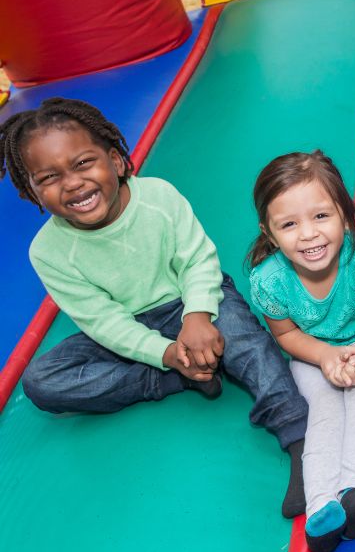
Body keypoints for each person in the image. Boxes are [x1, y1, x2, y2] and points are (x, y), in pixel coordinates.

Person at [0, 97, 308, 517]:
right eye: (49, 177)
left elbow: (198, 261)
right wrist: (166, 355)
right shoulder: (48, 251)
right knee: (42, 381)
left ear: (117, 161)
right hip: (131, 327)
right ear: (30, 191)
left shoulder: (158, 197)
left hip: (192, 299)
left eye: (84, 164)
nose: (71, 183)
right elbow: (103, 321)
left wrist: (197, 317)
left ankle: (300, 439)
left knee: (251, 347)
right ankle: (179, 376)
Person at [247, 151, 355, 552]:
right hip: (310, 355)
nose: (309, 235)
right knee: (327, 415)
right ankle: (321, 508)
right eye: (289, 225)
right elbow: (286, 334)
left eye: (320, 217)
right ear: (269, 233)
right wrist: (324, 357)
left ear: (344, 214)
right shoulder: (269, 280)